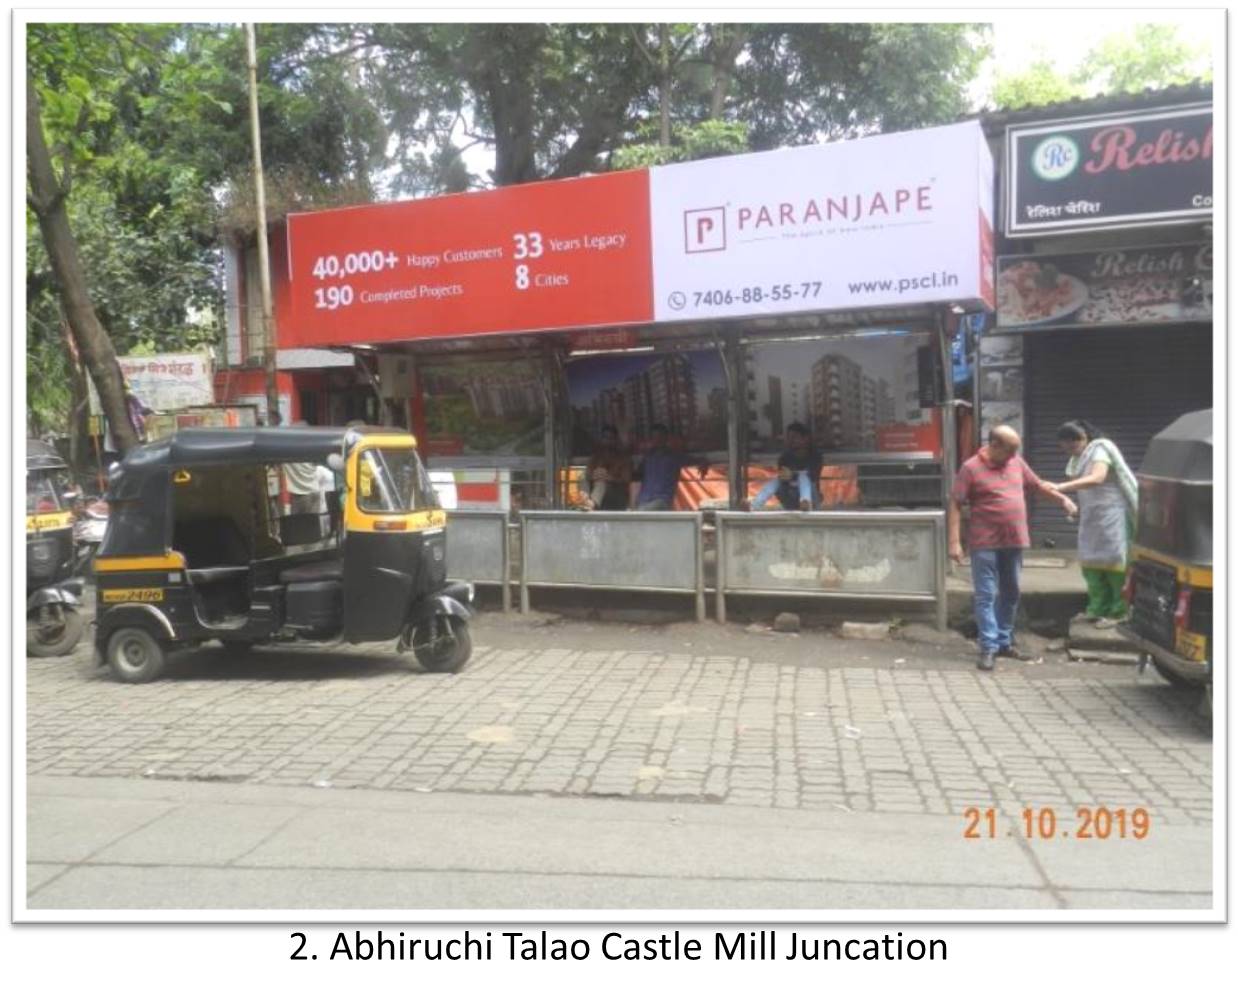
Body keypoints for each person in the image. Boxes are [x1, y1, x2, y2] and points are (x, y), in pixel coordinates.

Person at [949, 425, 1078, 671]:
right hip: (984, 541)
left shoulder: (1016, 462)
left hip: (1014, 540)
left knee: (1011, 592)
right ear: (994, 445)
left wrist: (1063, 500)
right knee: (986, 595)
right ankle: (988, 647)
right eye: (1009, 451)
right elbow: (955, 503)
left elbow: (1038, 486)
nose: (1013, 456)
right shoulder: (970, 468)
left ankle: (1004, 642)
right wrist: (955, 541)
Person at [1050, 420, 1138, 627]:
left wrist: (1060, 487)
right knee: (1091, 561)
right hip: (1092, 515)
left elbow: (1097, 478)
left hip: (1112, 514)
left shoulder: (1100, 449)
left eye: (1073, 445)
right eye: (1066, 448)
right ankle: (1096, 608)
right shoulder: (1077, 458)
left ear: (1084, 438)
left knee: (1114, 562)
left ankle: (1119, 612)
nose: (1071, 451)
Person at [629, 424, 711, 511]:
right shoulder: (647, 458)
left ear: (666, 438)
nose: (657, 440)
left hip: (661, 501)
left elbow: (701, 460)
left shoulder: (674, 457)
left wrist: (704, 464)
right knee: (632, 514)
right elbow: (636, 475)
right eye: (654, 437)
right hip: (643, 500)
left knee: (640, 514)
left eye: (660, 437)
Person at [749, 422, 821, 511]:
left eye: (794, 437)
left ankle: (805, 502)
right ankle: (754, 506)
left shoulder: (814, 456)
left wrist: (793, 474)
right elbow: (783, 479)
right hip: (790, 497)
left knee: (803, 477)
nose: (791, 441)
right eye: (789, 437)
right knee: (776, 481)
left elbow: (813, 476)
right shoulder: (784, 458)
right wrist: (786, 477)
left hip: (811, 498)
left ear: (805, 439)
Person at [582, 424, 633, 511]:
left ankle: (592, 504)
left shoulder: (623, 457)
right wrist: (594, 476)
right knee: (582, 477)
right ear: (602, 439)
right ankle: (584, 500)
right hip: (597, 488)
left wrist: (609, 478)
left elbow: (626, 479)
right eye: (605, 438)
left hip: (617, 494)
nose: (608, 441)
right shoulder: (596, 456)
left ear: (616, 440)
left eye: (611, 438)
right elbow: (588, 474)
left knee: (601, 482)